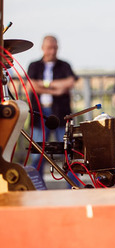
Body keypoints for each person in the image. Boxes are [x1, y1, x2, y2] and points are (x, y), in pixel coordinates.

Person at [27, 35, 78, 172]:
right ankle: (36, 183)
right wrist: (55, 89)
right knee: (37, 153)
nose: (53, 51)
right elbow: (31, 85)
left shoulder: (64, 65)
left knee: (67, 152)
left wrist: (42, 85)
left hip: (61, 113)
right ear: (43, 48)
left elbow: (70, 82)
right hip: (39, 113)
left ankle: (71, 183)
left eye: (55, 48)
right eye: (49, 48)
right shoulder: (34, 65)